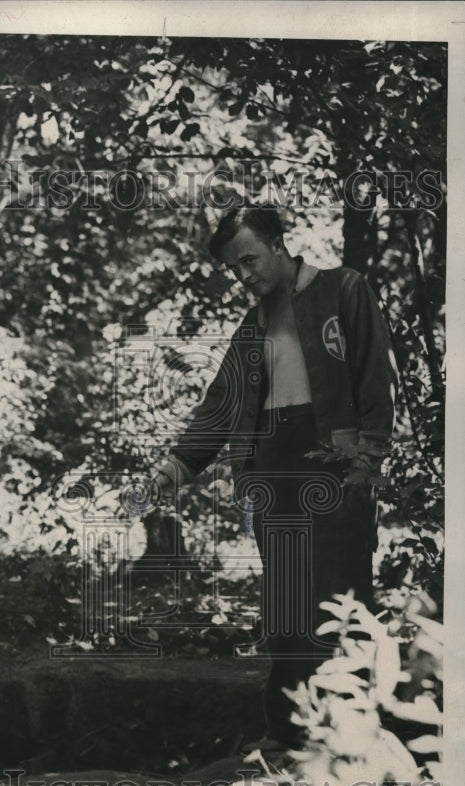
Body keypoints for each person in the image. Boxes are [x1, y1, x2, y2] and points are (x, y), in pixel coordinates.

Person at [151, 205, 397, 748]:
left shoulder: (344, 290)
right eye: (233, 268)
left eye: (249, 260)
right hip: (272, 466)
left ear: (278, 243)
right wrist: (175, 467)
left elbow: (376, 378)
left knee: (340, 595)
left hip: (334, 463)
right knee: (286, 602)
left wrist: (367, 463)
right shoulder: (251, 327)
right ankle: (287, 732)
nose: (243, 275)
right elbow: (221, 403)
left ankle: (349, 735)